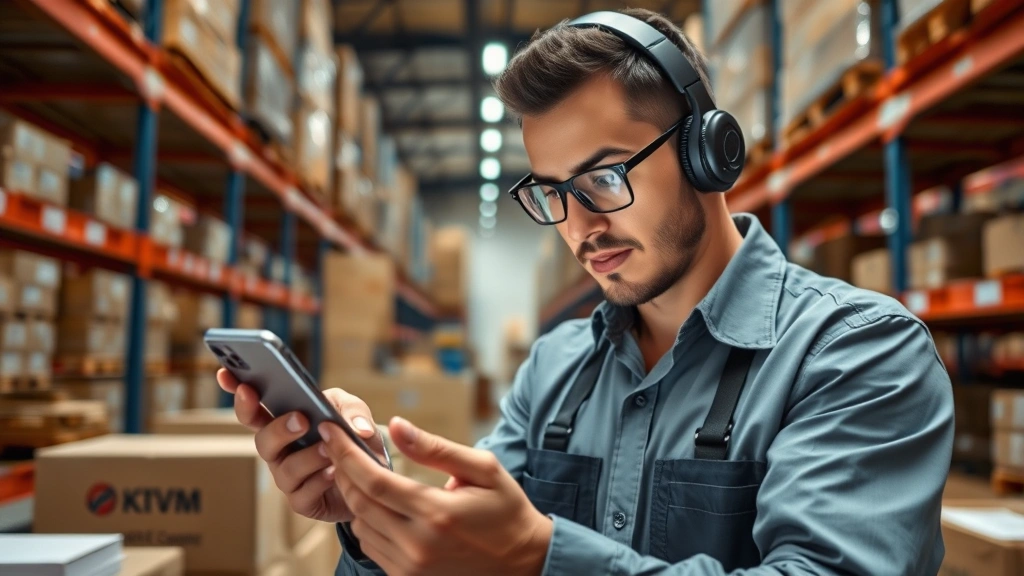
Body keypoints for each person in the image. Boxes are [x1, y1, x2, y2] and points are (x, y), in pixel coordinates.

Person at [217, 7, 954, 575]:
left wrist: (542, 560)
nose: (580, 226)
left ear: (707, 151)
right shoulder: (558, 368)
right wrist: (371, 513)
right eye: (552, 194)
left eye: (605, 177)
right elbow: (463, 550)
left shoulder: (858, 352)